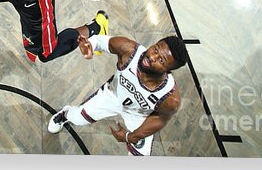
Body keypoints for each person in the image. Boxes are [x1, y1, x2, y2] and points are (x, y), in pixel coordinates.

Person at [48, 33, 189, 156]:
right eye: (155, 49)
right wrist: (89, 45)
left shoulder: (170, 98)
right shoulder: (130, 50)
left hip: (139, 115)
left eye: (161, 60)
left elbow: (160, 119)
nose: (152, 56)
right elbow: (99, 41)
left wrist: (130, 137)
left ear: (168, 71)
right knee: (79, 119)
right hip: (112, 95)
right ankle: (65, 114)